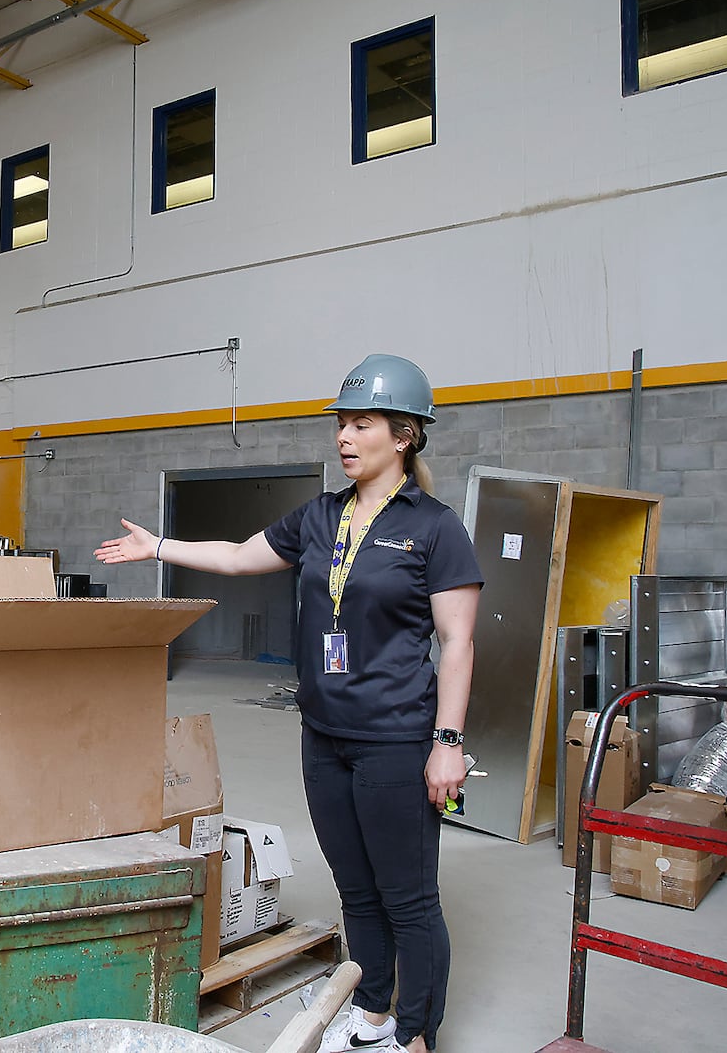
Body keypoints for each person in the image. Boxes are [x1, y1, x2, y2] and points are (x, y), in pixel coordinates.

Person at [94, 354, 482, 1053]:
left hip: (396, 739)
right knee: (356, 889)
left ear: (405, 436)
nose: (343, 436)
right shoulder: (319, 516)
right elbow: (243, 556)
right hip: (324, 734)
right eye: (340, 423)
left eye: (361, 423)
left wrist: (446, 742)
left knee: (410, 898)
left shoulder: (434, 528)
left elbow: (457, 643)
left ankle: (417, 1036)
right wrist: (160, 546)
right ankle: (371, 1014)